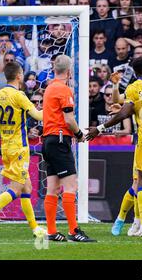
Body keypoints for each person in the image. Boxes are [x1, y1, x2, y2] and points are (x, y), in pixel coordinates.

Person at [87, 57, 142, 237]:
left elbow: (125, 110)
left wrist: (101, 128)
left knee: (141, 180)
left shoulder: (134, 88)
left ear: (133, 71)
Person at [0, 62, 46, 239]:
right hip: (19, 148)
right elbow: (37, 116)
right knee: (16, 188)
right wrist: (53, 109)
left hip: (5, 147)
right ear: (20, 76)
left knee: (26, 187)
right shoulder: (19, 95)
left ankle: (35, 229)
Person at [42, 55, 95, 242]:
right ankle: (74, 231)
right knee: (70, 186)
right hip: (59, 139)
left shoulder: (49, 88)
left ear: (55, 69)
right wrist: (80, 134)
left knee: (53, 188)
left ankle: (51, 232)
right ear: (70, 71)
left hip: (48, 140)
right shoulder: (64, 90)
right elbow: (69, 119)